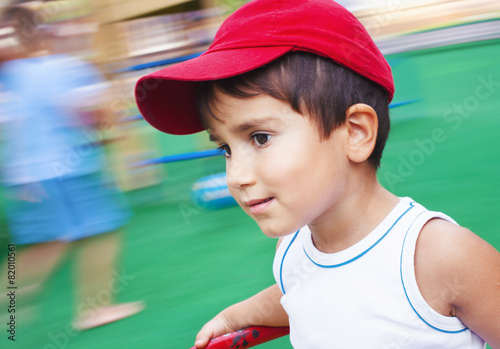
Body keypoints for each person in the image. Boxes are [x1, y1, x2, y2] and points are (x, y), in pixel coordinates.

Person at [134, 0, 500, 347]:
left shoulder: (441, 256)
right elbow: (304, 291)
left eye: (259, 138)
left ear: (355, 132)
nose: (235, 175)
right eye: (226, 149)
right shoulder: (293, 248)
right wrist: (236, 316)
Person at [0, 3, 143, 330]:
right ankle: (94, 309)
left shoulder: (11, 76)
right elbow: (89, 114)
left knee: (49, 242)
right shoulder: (62, 68)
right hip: (66, 170)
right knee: (102, 231)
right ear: (45, 31)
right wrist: (109, 132)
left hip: (25, 175)